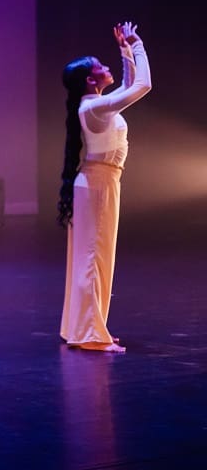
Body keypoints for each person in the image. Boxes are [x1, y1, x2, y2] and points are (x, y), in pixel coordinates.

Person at [58, 22, 151, 353]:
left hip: (102, 181)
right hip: (99, 183)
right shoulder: (94, 107)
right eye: (102, 66)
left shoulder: (95, 104)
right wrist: (138, 45)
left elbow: (127, 84)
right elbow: (142, 86)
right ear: (90, 79)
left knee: (95, 256)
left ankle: (85, 327)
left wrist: (124, 50)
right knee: (94, 257)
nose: (107, 67)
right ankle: (90, 333)